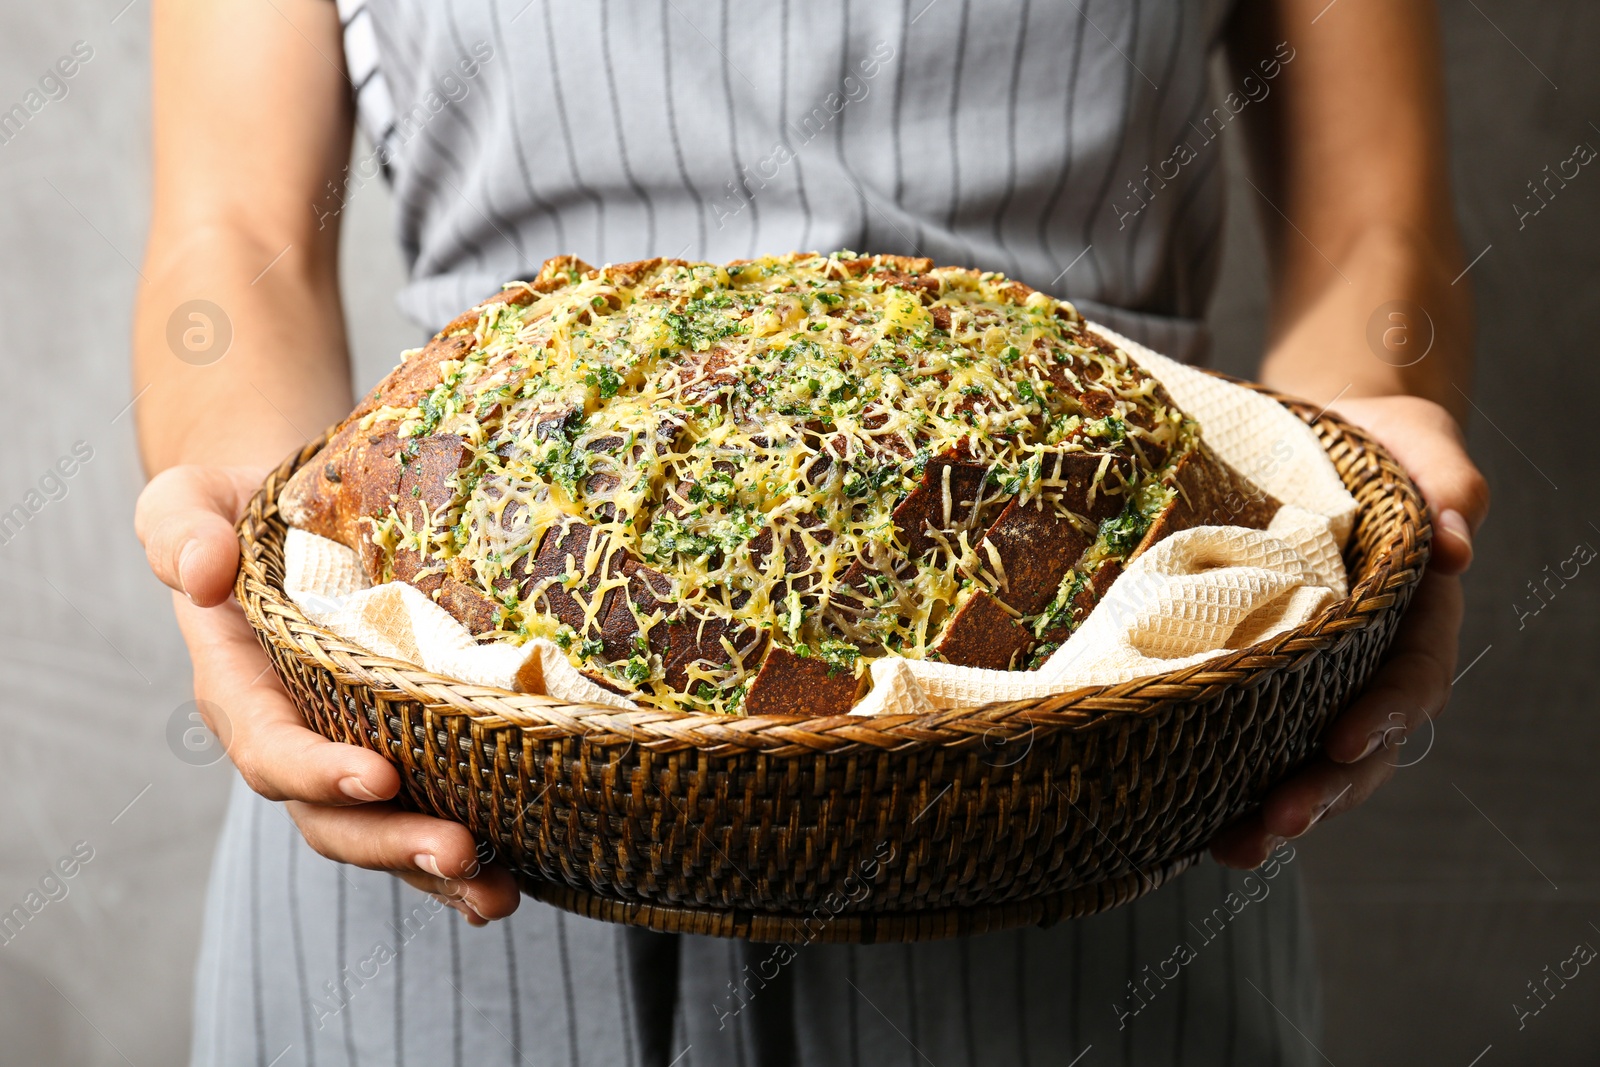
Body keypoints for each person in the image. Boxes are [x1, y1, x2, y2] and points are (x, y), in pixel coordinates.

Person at [132, 0, 1489, 1063]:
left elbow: (1372, 222)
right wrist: (247, 512)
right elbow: (232, 230)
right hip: (438, 764)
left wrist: (1362, 448)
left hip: (1102, 780)